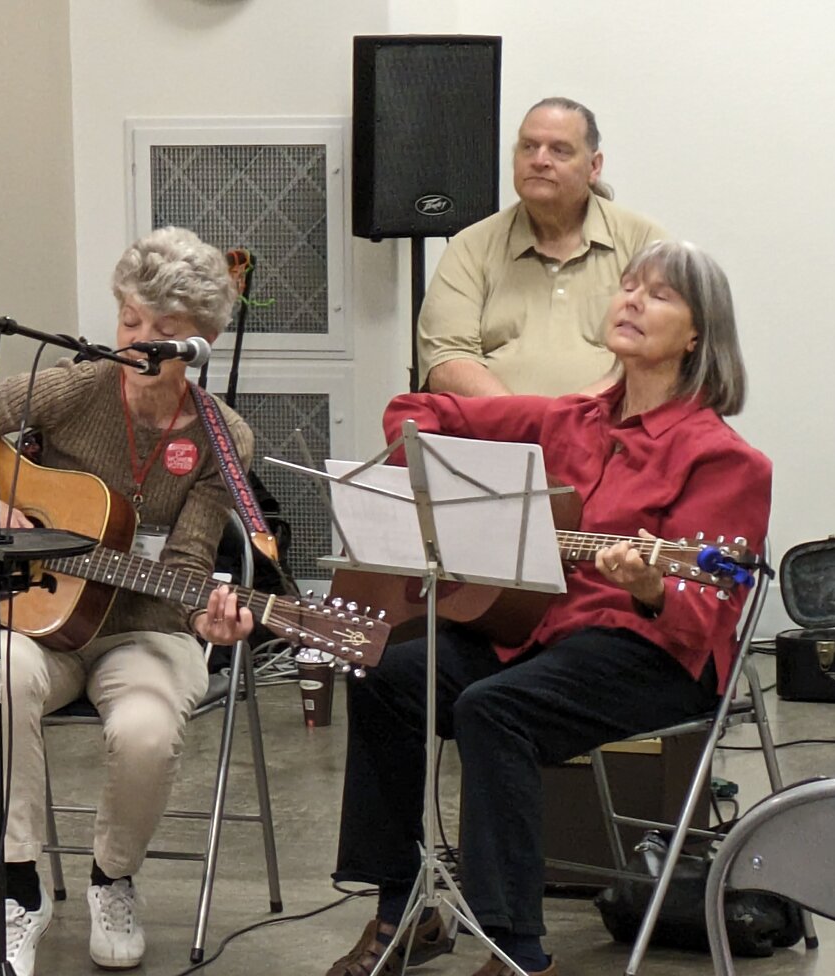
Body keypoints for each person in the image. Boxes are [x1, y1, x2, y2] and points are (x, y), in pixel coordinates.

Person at [328, 241, 770, 976]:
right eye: (628, 286)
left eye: (659, 295)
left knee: (494, 709)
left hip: (655, 654)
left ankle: (518, 952)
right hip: (543, 635)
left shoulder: (725, 459)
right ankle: (405, 907)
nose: (632, 301)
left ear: (697, 334)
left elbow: (705, 616)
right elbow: (418, 411)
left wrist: (649, 586)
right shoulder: (568, 419)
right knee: (388, 673)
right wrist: (443, 481)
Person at [0, 227, 255, 975]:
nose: (137, 343)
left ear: (203, 340)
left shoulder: (224, 438)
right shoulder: (77, 385)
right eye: (129, 321)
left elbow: (188, 565)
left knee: (146, 732)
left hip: (145, 631)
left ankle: (112, 877)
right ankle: (18, 886)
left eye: (162, 330)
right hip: (38, 619)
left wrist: (209, 617)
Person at [418, 97, 668, 398]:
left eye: (559, 150)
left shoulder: (645, 244)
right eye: (528, 146)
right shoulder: (471, 247)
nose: (539, 160)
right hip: (495, 426)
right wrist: (524, 419)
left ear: (594, 166)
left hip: (611, 424)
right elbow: (447, 361)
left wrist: (576, 415)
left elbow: (664, 353)